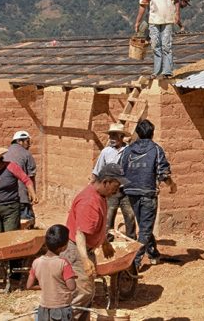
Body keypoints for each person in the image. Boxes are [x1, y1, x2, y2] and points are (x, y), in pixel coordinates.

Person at [63, 163, 122, 321]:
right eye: (116, 186)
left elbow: (97, 226)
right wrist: (84, 259)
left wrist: (104, 243)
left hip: (84, 249)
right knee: (81, 293)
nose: (117, 190)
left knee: (87, 293)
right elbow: (80, 234)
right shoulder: (89, 202)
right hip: (77, 250)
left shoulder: (100, 195)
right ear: (106, 182)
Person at [121, 119, 176, 268]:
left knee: (145, 225)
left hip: (131, 193)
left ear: (137, 133)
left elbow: (121, 170)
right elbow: (163, 173)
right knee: (145, 229)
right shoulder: (156, 150)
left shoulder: (128, 150)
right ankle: (135, 263)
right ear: (152, 133)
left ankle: (153, 253)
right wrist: (172, 185)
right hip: (148, 193)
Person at [134, 0, 180, 79]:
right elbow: (143, 5)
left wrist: (177, 14)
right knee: (155, 46)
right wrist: (137, 21)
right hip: (153, 19)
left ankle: (167, 71)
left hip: (167, 18)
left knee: (166, 45)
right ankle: (157, 71)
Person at [93, 123, 136, 239]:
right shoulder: (105, 152)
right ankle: (107, 241)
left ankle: (131, 241)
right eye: (110, 136)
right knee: (108, 217)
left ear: (121, 137)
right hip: (110, 192)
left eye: (114, 136)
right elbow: (97, 171)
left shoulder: (129, 151)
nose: (111, 139)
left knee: (130, 215)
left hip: (126, 190)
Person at [27, 224, 76, 321]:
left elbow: (29, 286)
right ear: (62, 247)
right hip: (61, 309)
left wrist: (45, 286)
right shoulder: (63, 263)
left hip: (44, 309)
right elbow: (72, 287)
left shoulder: (36, 262)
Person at [4, 130, 37, 224]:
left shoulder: (5, 153)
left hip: (6, 197)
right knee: (26, 222)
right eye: (27, 142)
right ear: (19, 141)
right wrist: (32, 194)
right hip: (21, 196)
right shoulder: (26, 154)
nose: (29, 145)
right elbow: (31, 176)